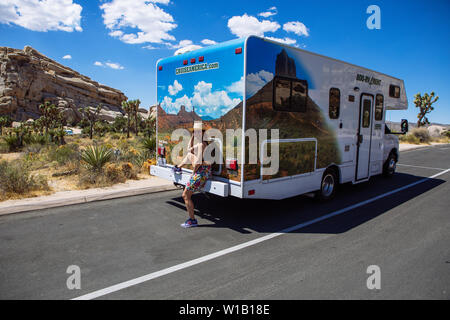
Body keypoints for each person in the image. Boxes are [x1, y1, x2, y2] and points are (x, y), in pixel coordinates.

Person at [173, 122, 212, 228]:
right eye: (195, 131)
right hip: (204, 170)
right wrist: (192, 136)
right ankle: (178, 167)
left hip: (202, 171)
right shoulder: (201, 143)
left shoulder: (201, 144)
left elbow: (198, 162)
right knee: (190, 154)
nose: (196, 133)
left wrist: (193, 174)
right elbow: (188, 149)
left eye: (198, 131)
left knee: (185, 195)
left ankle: (192, 220)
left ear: (203, 132)